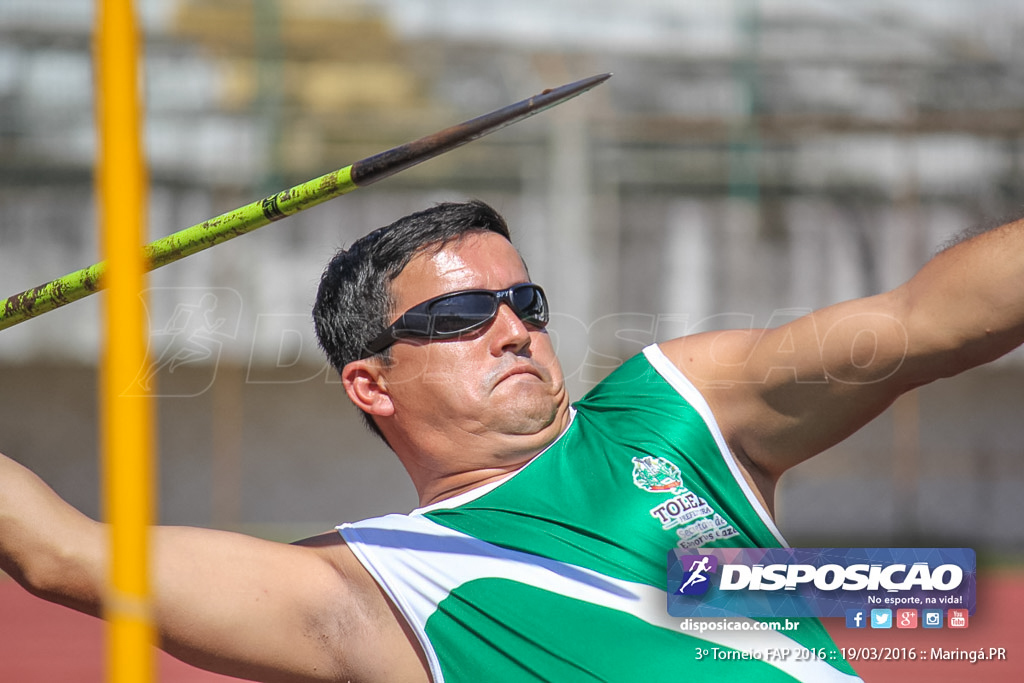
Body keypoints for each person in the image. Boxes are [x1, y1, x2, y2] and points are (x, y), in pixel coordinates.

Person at [1, 199, 1022, 682]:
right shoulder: (372, 593)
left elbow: (929, 321)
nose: (511, 326)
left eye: (521, 299)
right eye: (456, 317)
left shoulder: (678, 407)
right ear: (371, 381)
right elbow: (61, 551)